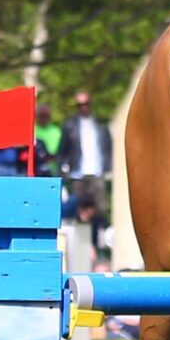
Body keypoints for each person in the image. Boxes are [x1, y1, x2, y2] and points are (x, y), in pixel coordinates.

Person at [59, 91, 114, 236]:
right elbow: (62, 151)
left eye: (86, 104)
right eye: (80, 105)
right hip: (77, 174)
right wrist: (63, 172)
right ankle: (79, 243)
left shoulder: (100, 125)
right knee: (78, 210)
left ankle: (97, 243)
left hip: (97, 172)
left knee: (100, 209)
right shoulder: (70, 126)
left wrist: (108, 168)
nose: (83, 107)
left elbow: (108, 147)